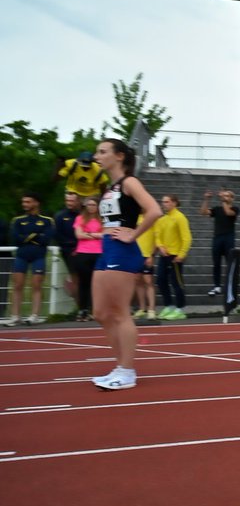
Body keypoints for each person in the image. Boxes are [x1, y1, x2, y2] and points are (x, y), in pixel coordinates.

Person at [91, 138, 163, 390]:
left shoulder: (129, 182)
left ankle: (127, 370)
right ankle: (119, 366)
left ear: (119, 156)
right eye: (96, 152)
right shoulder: (108, 187)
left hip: (123, 251)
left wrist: (133, 234)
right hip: (107, 248)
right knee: (100, 313)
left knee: (120, 313)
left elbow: (154, 210)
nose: (96, 156)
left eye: (102, 152)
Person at [4, 194, 54, 326]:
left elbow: (46, 239)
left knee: (36, 285)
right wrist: (35, 235)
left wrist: (26, 237)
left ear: (36, 203)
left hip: (39, 256)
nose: (24, 204)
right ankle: (15, 316)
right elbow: (15, 238)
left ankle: (34, 315)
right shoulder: (18, 220)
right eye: (23, 202)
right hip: (22, 255)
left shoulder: (47, 220)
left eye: (28, 202)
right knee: (17, 285)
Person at [155, 194, 192, 320]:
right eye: (163, 202)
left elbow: (187, 238)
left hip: (175, 256)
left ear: (174, 203)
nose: (164, 204)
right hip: (164, 255)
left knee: (176, 282)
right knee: (160, 279)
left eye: (167, 202)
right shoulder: (162, 219)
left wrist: (181, 254)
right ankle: (168, 306)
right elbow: (157, 235)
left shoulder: (180, 217)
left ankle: (180, 309)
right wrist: (160, 246)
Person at [199, 189, 240, 297]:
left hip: (229, 237)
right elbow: (203, 212)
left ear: (232, 198)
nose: (225, 197)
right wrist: (206, 199)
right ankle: (217, 286)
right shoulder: (217, 209)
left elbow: (228, 213)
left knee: (229, 263)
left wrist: (223, 201)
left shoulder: (235, 209)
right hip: (218, 238)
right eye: (224, 195)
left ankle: (229, 287)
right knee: (216, 263)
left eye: (227, 196)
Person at [72, 197, 104, 321]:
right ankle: (82, 309)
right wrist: (95, 235)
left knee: (95, 283)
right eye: (89, 204)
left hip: (98, 253)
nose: (91, 207)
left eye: (94, 204)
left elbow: (104, 235)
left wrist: (89, 234)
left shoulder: (102, 220)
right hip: (83, 252)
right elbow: (78, 235)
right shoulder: (80, 219)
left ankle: (94, 309)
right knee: (83, 283)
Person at [53, 191, 82, 305]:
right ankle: (80, 307)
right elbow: (56, 234)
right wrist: (69, 246)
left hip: (86, 250)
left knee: (88, 278)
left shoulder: (83, 214)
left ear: (78, 201)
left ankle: (89, 306)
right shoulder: (60, 216)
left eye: (72, 201)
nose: (69, 203)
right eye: (67, 200)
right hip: (69, 251)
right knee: (75, 279)